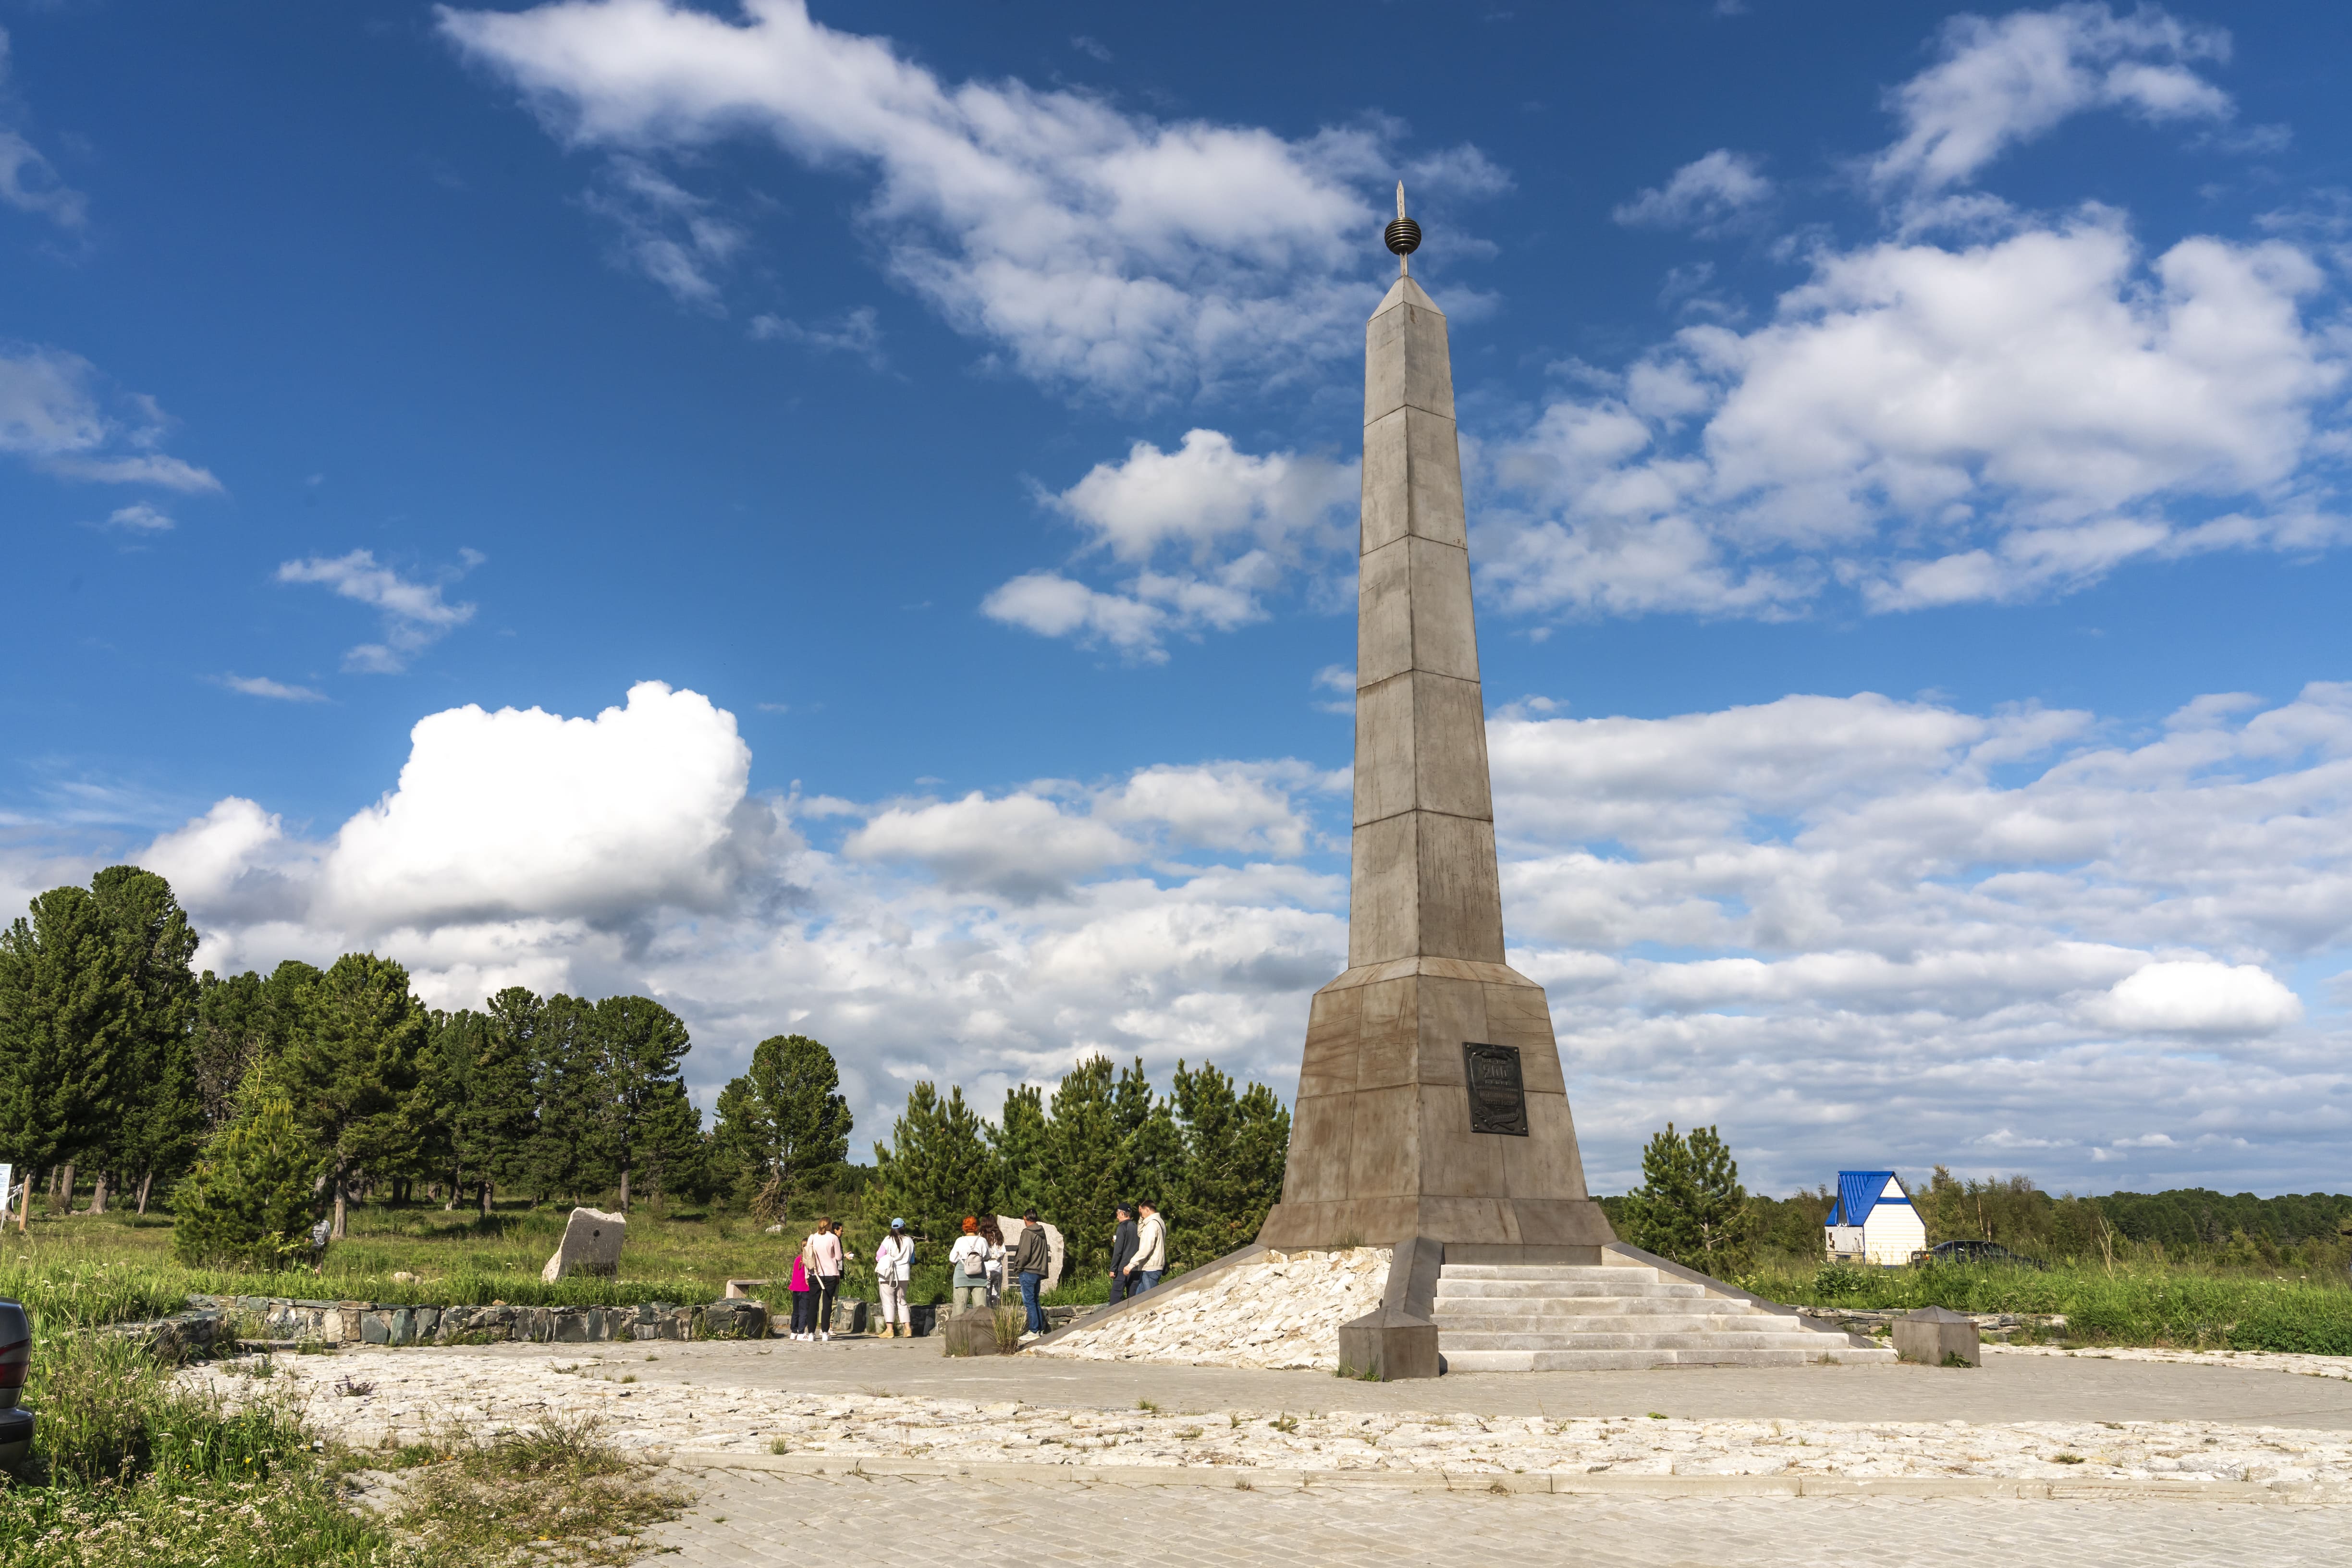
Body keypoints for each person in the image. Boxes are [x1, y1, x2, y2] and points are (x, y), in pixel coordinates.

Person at [1011, 1209, 1052, 1338]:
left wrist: (1018, 1267)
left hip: (1028, 1271)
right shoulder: (1041, 1232)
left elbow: (1024, 1254)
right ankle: (1040, 1329)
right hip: (1038, 1271)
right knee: (1035, 1301)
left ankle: (1034, 1330)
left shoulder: (1028, 1232)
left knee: (1029, 1302)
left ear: (1025, 1218)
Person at [875, 1218, 915, 1337]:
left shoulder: (888, 1240)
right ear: (904, 1227)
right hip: (904, 1274)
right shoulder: (909, 1240)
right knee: (902, 1301)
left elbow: (878, 1257)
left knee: (888, 1302)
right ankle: (907, 1329)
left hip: (888, 1274)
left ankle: (890, 1330)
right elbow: (912, 1259)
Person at [806, 1216, 843, 1340]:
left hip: (814, 1274)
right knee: (827, 1303)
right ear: (830, 1226)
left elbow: (807, 1256)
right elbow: (838, 1257)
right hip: (830, 1274)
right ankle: (825, 1332)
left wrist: (807, 1274)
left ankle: (811, 1333)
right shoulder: (833, 1238)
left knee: (813, 1304)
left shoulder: (812, 1238)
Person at [948, 1216, 990, 1313]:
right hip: (979, 1275)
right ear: (976, 1228)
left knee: (959, 1309)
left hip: (962, 1276)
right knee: (981, 1310)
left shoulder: (960, 1241)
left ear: (964, 1228)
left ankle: (958, 1328)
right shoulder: (982, 1240)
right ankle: (980, 1328)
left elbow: (952, 1259)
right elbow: (988, 1257)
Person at [1130, 1200, 1166, 1294]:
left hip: (1151, 1268)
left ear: (1147, 1210)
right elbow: (1140, 1233)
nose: (1141, 1215)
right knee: (1138, 1299)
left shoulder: (1152, 1225)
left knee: (1150, 1299)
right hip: (1150, 1268)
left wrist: (1131, 1264)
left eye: (1142, 1213)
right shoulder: (1159, 1222)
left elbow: (1146, 1248)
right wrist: (1141, 1219)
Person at [1108, 1203, 1138, 1305]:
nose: (1117, 1217)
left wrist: (1113, 1269)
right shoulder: (1136, 1227)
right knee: (1133, 1296)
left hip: (1123, 1267)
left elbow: (1118, 1251)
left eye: (1117, 1214)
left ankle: (1113, 1317)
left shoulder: (1122, 1228)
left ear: (1122, 1213)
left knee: (1116, 1296)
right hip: (1136, 1267)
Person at [978, 1215, 1006, 1306]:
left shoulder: (981, 1235)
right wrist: (997, 1256)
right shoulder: (999, 1234)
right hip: (998, 1267)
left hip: (986, 1267)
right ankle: (996, 1314)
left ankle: (987, 1315)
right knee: (996, 1293)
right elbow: (1003, 1251)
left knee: (986, 1294)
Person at [787, 1246, 812, 1340]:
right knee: (804, 1311)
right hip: (804, 1288)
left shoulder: (798, 1259)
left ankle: (794, 1331)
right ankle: (801, 1332)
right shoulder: (808, 1261)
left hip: (795, 1288)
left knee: (796, 1311)